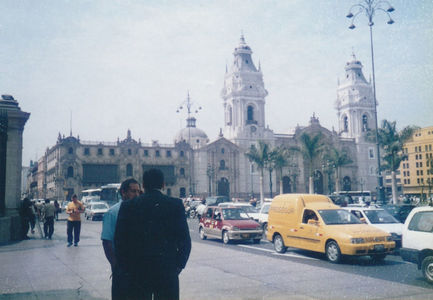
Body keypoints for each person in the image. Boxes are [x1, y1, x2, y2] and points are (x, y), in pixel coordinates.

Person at [115, 168, 191, 300]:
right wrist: (178, 266)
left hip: (137, 271)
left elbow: (119, 241)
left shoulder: (128, 206)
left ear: (143, 185)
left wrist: (126, 268)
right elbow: (185, 241)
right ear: (163, 185)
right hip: (167, 270)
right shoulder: (175, 205)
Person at [101, 178, 140, 300]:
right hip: (121, 268)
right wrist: (116, 265)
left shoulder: (140, 211)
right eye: (133, 191)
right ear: (123, 192)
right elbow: (107, 241)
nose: (137, 195)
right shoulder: (112, 213)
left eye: (138, 191)